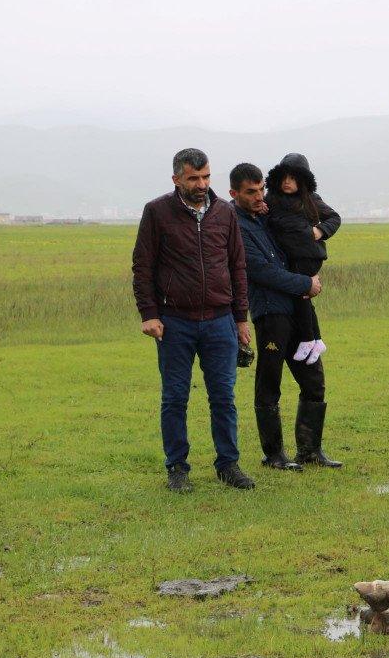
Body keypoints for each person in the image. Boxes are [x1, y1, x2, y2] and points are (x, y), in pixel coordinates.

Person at [131, 148, 255, 492]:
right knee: (174, 397)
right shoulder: (157, 212)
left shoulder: (225, 213)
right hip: (175, 323)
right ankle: (177, 468)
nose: (201, 184)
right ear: (176, 179)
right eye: (193, 178)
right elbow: (143, 267)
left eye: (206, 177)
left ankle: (228, 464)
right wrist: (149, 314)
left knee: (224, 397)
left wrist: (240, 319)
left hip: (220, 321)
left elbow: (237, 266)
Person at [229, 162, 342, 471]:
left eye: (261, 189)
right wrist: (305, 283)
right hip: (270, 311)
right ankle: (274, 454)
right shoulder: (235, 226)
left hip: (298, 309)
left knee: (313, 378)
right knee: (270, 381)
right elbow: (260, 270)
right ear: (234, 193)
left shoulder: (266, 216)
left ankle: (310, 450)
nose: (258, 196)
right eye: (251, 192)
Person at [263, 153, 341, 365]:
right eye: (284, 177)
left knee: (302, 293)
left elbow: (334, 217)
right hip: (292, 255)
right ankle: (316, 340)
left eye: (294, 178)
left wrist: (320, 231)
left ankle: (308, 339)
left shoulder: (311, 200)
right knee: (302, 294)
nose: (288, 182)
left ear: (303, 180)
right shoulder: (271, 199)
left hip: (308, 255)